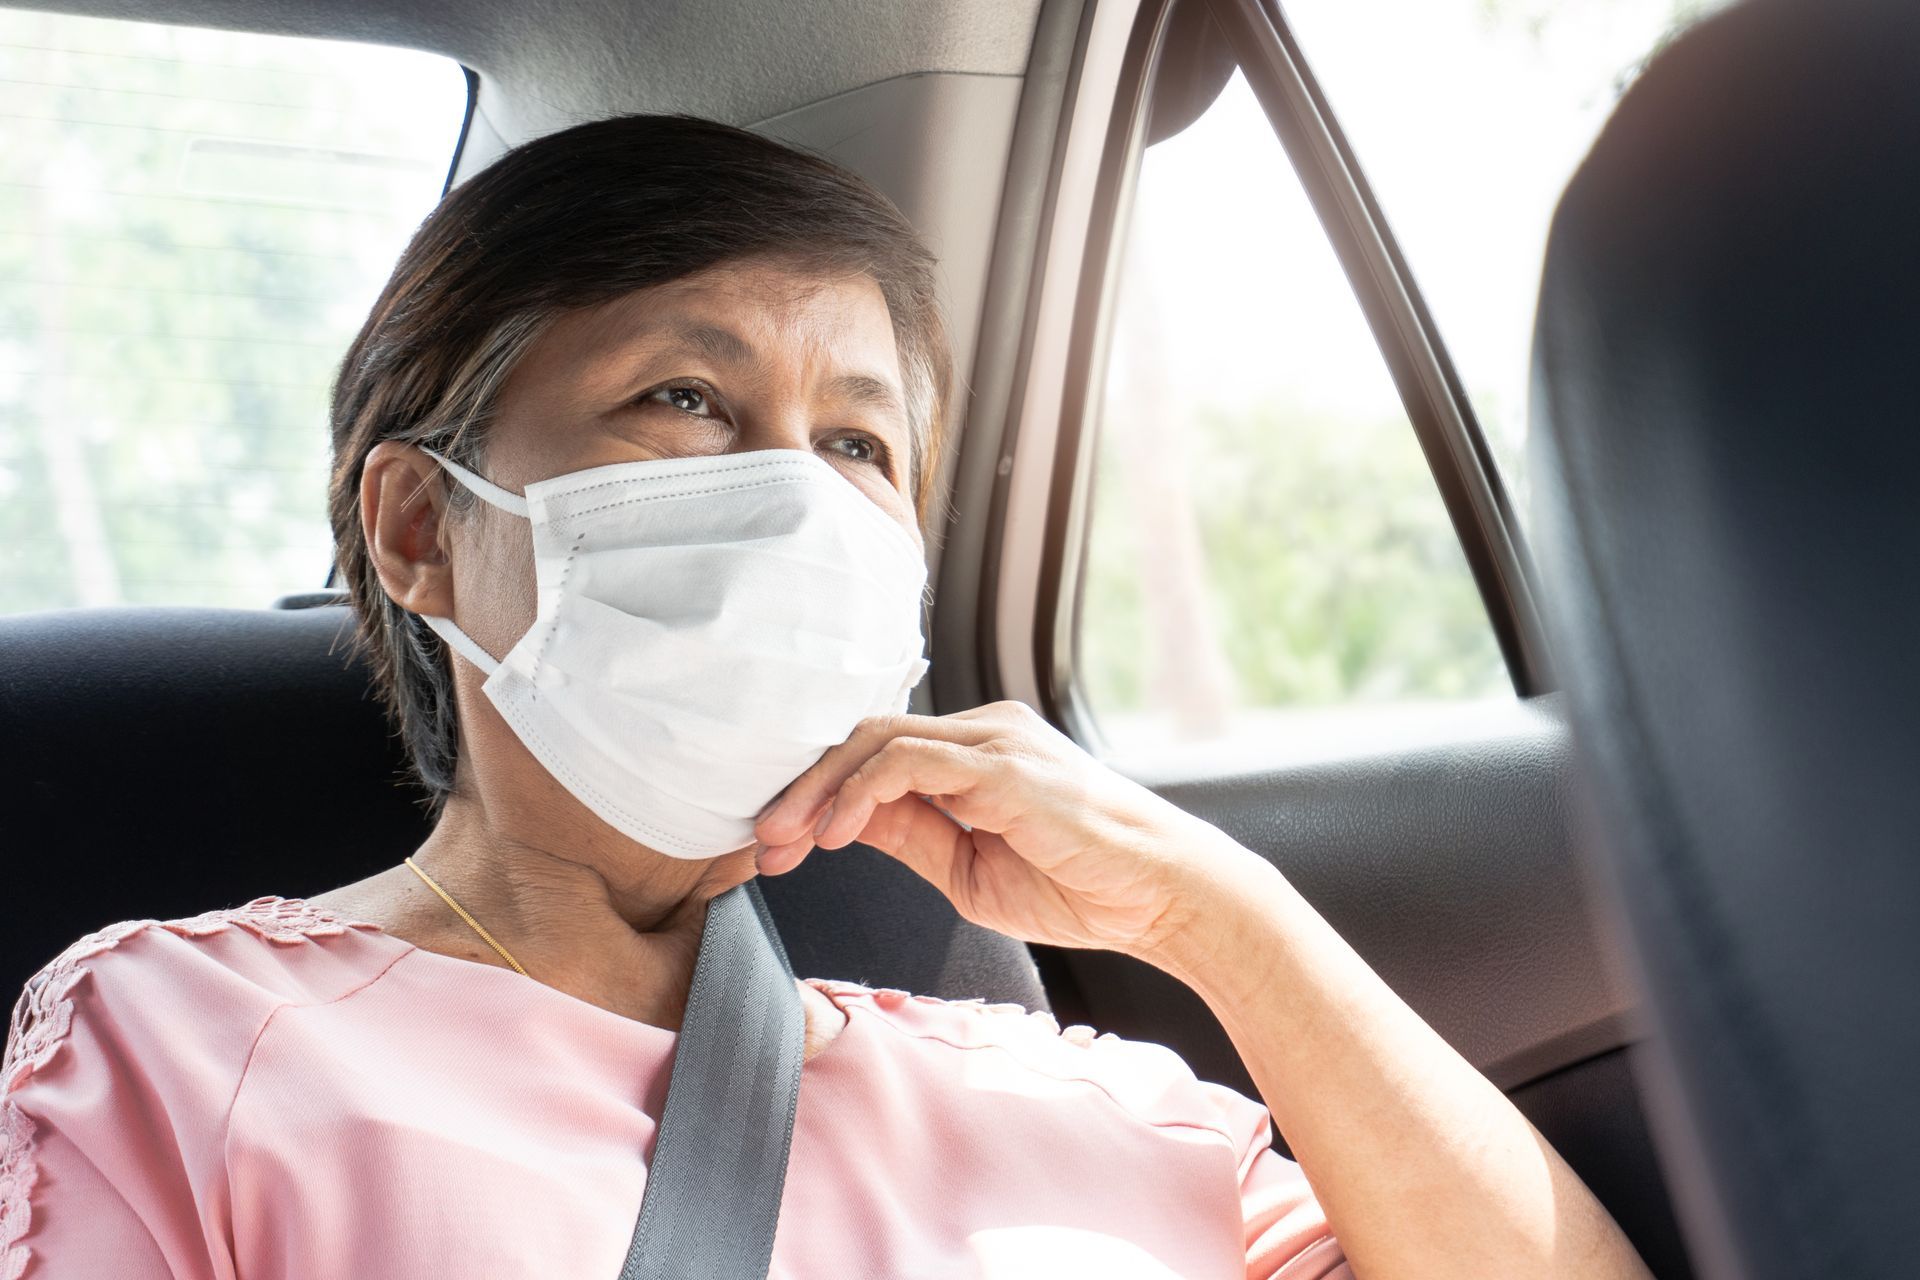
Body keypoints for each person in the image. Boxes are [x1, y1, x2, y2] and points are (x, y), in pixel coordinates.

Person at [0, 113, 1649, 1279]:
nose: (794, 493)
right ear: (424, 530)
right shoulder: (182, 1041)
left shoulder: (1092, 1094)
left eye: (859, 443)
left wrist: (1224, 919)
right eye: (686, 399)